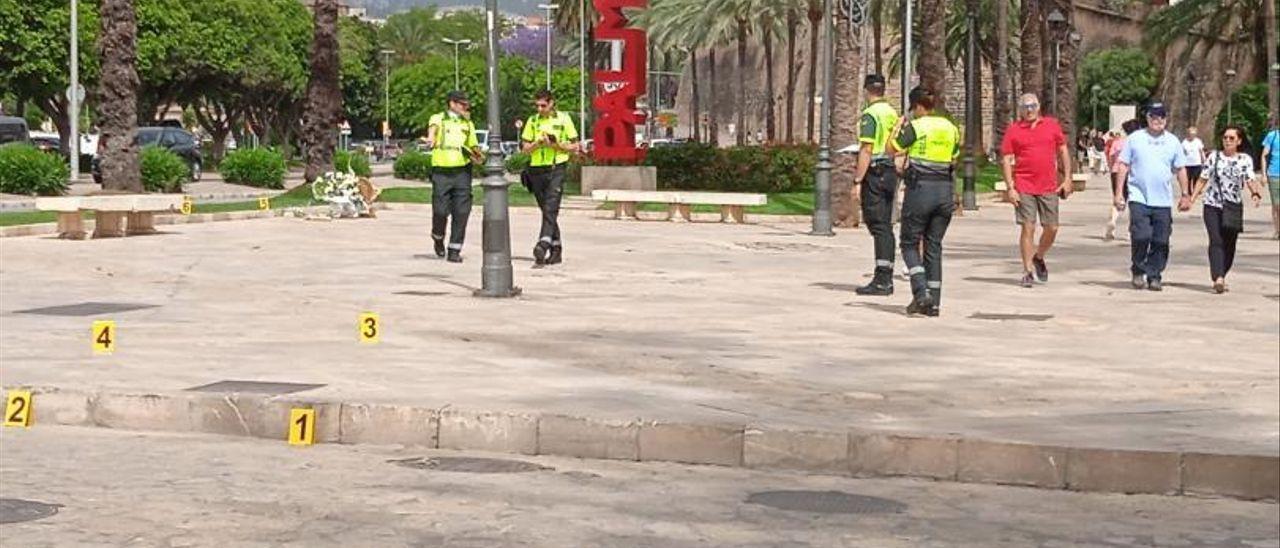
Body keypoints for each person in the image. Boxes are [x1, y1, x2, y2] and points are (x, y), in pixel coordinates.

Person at [887, 86, 961, 317]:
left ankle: (920, 292)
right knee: (934, 245)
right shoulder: (951, 128)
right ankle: (934, 302)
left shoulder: (916, 126)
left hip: (920, 191)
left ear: (917, 106)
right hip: (944, 192)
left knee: (909, 243)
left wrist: (896, 129)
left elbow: (891, 149)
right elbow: (954, 156)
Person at [1113, 102, 1190, 291]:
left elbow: (1180, 168)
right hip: (1139, 196)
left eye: (1161, 116)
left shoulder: (1172, 141)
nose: (1158, 120)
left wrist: (1185, 194)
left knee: (1161, 240)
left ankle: (1154, 274)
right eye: (1154, 116)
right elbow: (1123, 165)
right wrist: (1118, 193)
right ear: (1147, 118)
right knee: (1141, 236)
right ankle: (1138, 269)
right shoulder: (1135, 139)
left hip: (1163, 200)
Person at [1000, 93, 1073, 288]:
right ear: (1020, 110)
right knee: (1028, 227)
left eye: (1032, 106)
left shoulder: (1051, 125)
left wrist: (1067, 178)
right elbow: (1007, 159)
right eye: (1025, 106)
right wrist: (1010, 188)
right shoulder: (1014, 130)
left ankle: (1038, 256)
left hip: (1048, 185)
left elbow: (1063, 150)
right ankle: (1027, 271)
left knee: (1052, 227)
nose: (1029, 109)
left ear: (1039, 107)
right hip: (1024, 185)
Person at [1188, 126, 1265, 294]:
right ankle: (1218, 277)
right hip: (1212, 204)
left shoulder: (1245, 159)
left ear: (1239, 141)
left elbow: (1249, 178)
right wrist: (1192, 198)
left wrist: (1255, 193)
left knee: (1229, 244)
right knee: (1215, 240)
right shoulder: (1214, 157)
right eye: (1225, 138)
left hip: (1233, 206)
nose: (1227, 141)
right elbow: (1203, 178)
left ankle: (1222, 273)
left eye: (1231, 138)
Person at [851, 74, 901, 295]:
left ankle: (883, 279)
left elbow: (867, 149)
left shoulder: (870, 115)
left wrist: (858, 180)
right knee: (885, 226)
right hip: (890, 172)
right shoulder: (891, 113)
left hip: (876, 172)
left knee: (878, 225)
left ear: (866, 90)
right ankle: (885, 273)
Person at [521, 89, 580, 266]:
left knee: (551, 207)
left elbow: (575, 145)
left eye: (543, 105)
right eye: (537, 105)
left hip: (556, 168)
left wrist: (556, 145)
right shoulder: (532, 121)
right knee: (546, 210)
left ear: (552, 103)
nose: (540, 109)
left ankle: (543, 243)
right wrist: (537, 144)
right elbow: (525, 148)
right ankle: (556, 248)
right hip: (537, 170)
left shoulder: (563, 119)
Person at [424, 91, 484, 263]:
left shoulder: (468, 124)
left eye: (467, 105)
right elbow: (432, 131)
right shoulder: (439, 118)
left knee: (462, 211)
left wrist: (478, 156)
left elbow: (473, 146)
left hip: (462, 171)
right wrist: (431, 138)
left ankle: (454, 249)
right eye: (462, 104)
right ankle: (438, 236)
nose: (466, 108)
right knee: (440, 210)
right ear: (452, 104)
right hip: (442, 170)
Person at [1104, 120, 1140, 241]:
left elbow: (1110, 156)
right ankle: (1131, 231)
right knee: (1134, 201)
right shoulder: (1137, 142)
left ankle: (1113, 220)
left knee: (1118, 197)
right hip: (1132, 172)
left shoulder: (1117, 142)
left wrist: (1111, 168)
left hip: (1116, 171)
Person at [1261, 118, 1280, 239]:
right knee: (1277, 205)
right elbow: (1264, 155)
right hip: (1274, 174)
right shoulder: (1272, 136)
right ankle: (1277, 230)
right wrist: (1263, 174)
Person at [1181, 127, 1205, 193]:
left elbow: (1201, 151)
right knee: (1188, 179)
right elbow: (1182, 153)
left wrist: (1203, 159)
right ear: (1188, 134)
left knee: (1196, 178)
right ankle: (1188, 191)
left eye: (1194, 134)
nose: (1192, 135)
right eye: (1191, 134)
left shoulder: (1198, 141)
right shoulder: (1184, 142)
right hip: (1187, 164)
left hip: (1197, 163)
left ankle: (1195, 190)